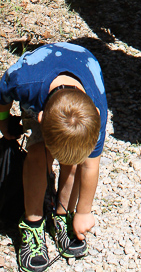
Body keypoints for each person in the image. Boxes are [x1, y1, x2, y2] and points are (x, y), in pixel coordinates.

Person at [0, 42, 108, 272]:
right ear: (40, 119)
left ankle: (62, 213)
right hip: (41, 86)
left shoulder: (96, 112)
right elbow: (2, 93)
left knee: (74, 162)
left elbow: (90, 166)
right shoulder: (24, 81)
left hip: (81, 65)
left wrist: (83, 212)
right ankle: (32, 222)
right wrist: (4, 122)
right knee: (39, 154)